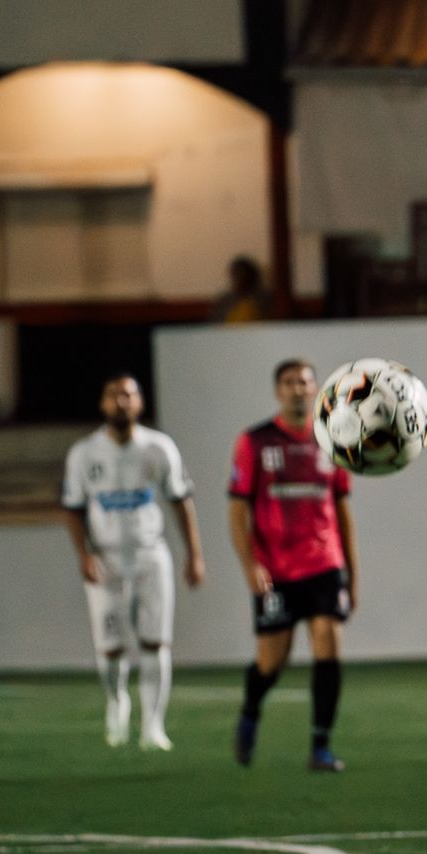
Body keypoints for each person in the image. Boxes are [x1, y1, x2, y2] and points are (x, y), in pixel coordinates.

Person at [61, 374, 205, 750]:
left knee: (156, 643)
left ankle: (153, 726)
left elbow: (180, 501)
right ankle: (116, 701)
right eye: (114, 395)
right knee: (110, 648)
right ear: (103, 404)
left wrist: (194, 555)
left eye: (129, 394)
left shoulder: (158, 448)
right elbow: (73, 509)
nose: (121, 401)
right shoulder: (84, 453)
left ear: (140, 403)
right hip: (106, 560)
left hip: (150, 555)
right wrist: (84, 553)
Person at [229, 359, 356, 773]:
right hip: (277, 570)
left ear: (317, 388)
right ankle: (250, 709)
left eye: (304, 381)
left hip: (323, 563)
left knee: (328, 644)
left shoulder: (333, 440)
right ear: (277, 391)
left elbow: (342, 510)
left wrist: (352, 572)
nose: (298, 389)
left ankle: (320, 746)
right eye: (288, 382)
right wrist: (251, 566)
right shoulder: (255, 442)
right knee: (272, 660)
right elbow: (237, 511)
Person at [212, 256, 270, 323]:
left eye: (242, 274)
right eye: (236, 274)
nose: (239, 278)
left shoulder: (262, 298)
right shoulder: (225, 300)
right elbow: (215, 324)